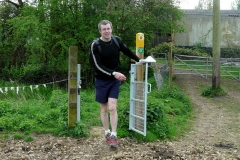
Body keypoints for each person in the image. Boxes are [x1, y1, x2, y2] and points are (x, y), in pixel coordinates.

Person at [89, 20, 140, 147]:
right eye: (104, 29)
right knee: (104, 108)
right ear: (100, 31)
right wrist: (113, 73)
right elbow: (97, 66)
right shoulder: (95, 45)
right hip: (101, 80)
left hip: (113, 81)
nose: (107, 31)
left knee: (112, 107)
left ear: (111, 29)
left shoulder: (117, 41)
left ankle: (114, 135)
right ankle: (106, 131)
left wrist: (140, 60)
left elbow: (127, 51)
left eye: (108, 28)